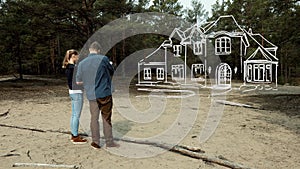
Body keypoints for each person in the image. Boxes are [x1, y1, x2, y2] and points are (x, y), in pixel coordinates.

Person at [76, 42, 119, 149]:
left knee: (94, 118)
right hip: (104, 92)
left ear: (90, 50)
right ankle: (109, 141)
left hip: (91, 94)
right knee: (106, 118)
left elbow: (78, 81)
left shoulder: (82, 63)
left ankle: (96, 141)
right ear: (98, 50)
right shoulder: (103, 59)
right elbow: (111, 71)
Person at [62, 49, 87, 144]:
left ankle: (74, 133)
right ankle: (75, 136)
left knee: (73, 115)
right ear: (73, 56)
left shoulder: (68, 67)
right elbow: (76, 82)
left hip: (72, 92)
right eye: (77, 57)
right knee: (76, 115)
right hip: (77, 92)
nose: (78, 58)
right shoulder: (73, 68)